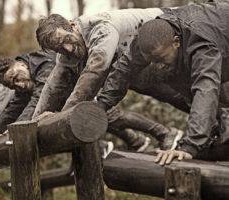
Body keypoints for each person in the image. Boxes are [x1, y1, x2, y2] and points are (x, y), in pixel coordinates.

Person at [33, 10, 188, 150]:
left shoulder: (101, 28)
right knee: (173, 96)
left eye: (67, 40)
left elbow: (95, 70)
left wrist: (64, 115)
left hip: (175, 35)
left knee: (184, 93)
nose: (67, 49)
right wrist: (34, 122)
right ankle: (169, 135)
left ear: (72, 25)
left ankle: (198, 136)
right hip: (138, 66)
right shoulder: (66, 52)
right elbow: (53, 87)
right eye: (59, 49)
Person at [97, 1, 229, 164]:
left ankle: (217, 127)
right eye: (151, 60)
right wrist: (101, 106)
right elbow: (124, 69)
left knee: (209, 86)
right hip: (213, 39)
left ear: (176, 42)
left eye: (160, 58)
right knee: (169, 71)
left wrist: (188, 147)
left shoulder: (201, 44)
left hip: (219, 32)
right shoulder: (151, 39)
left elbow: (206, 89)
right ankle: (213, 129)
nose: (156, 65)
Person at [0, 51, 56, 144]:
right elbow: (12, 110)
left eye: (16, 78)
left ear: (22, 64)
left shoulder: (44, 64)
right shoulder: (26, 76)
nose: (20, 85)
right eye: (13, 86)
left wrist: (13, 129)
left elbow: (39, 98)